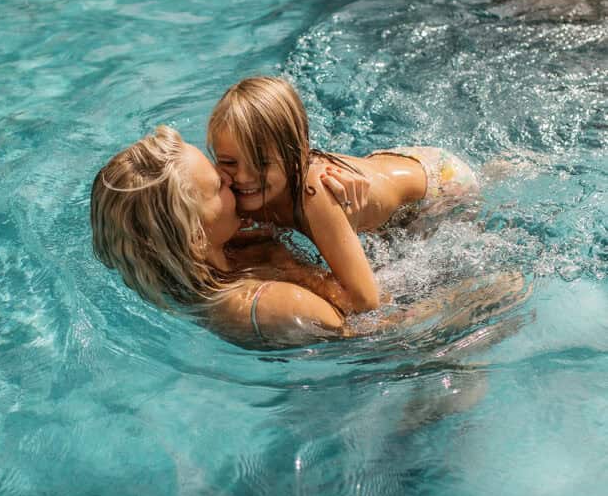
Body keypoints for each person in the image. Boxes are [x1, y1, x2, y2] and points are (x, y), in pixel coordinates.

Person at [90, 127, 518, 349]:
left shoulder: (185, 263)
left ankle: (497, 174)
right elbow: (380, 339)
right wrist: (478, 301)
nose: (233, 180)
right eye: (219, 186)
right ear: (196, 237)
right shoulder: (278, 307)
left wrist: (324, 198)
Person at [208, 76, 480, 314]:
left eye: (262, 164)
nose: (243, 177)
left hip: (440, 186)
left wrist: (291, 269)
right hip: (388, 167)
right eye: (229, 162)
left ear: (296, 155)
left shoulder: (316, 196)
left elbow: (366, 301)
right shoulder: (237, 188)